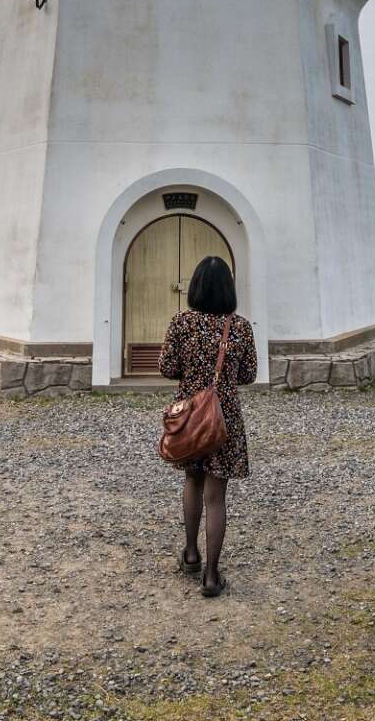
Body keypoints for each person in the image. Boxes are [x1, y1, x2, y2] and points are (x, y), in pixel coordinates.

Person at [157, 254, 258, 597]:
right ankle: (212, 577)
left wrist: (192, 373)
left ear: (196, 287)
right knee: (217, 496)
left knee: (192, 480)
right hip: (223, 416)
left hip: (189, 414)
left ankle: (190, 553)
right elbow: (248, 374)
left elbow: (166, 367)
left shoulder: (181, 323)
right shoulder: (240, 326)